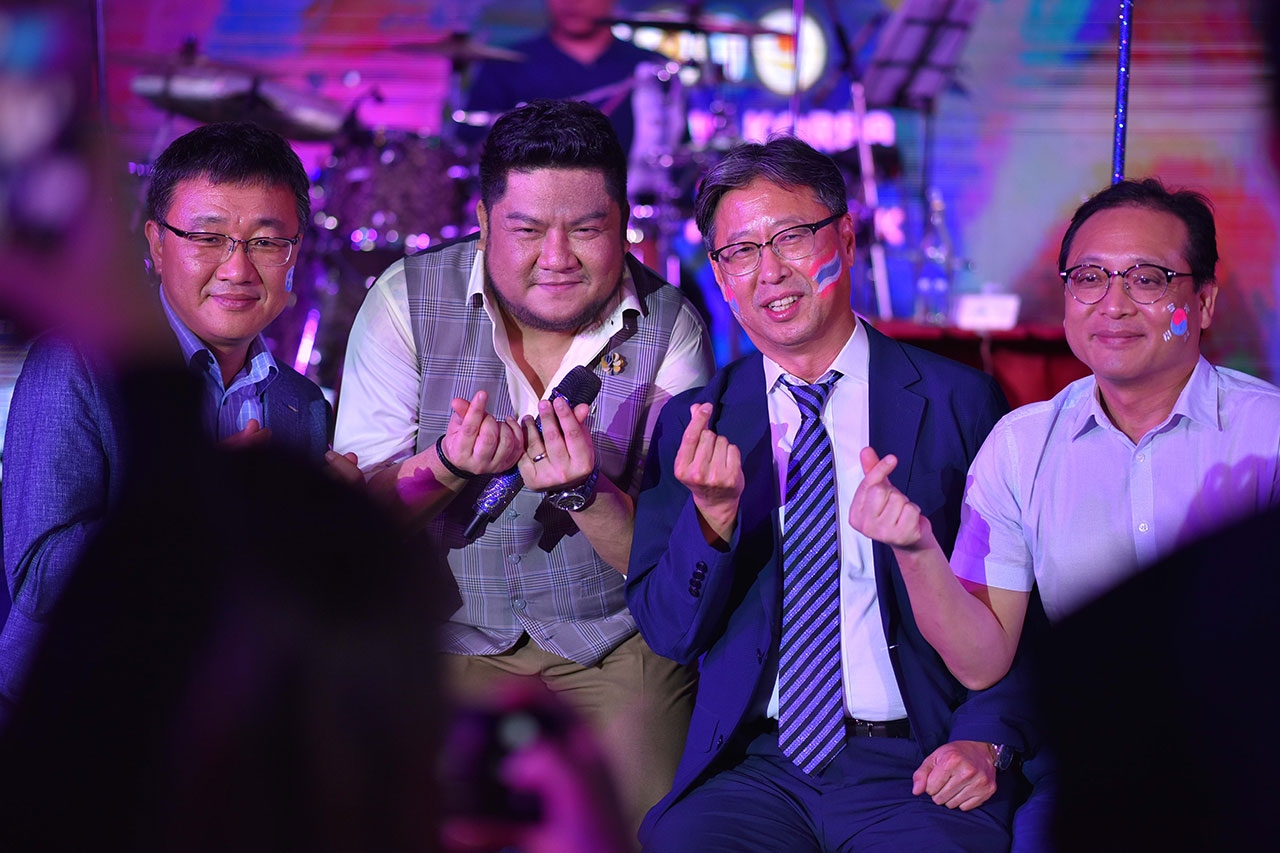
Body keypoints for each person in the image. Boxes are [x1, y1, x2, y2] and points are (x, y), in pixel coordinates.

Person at [625, 134, 1036, 851]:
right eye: (741, 251)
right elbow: (670, 631)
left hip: (918, 759)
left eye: (790, 237)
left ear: (845, 238)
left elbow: (1019, 605)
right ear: (720, 276)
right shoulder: (699, 422)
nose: (770, 272)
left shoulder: (958, 402)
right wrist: (712, 519)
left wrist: (986, 738)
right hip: (757, 767)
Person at [848, 177, 1280, 848]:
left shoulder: (1267, 435)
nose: (1114, 304)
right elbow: (982, 660)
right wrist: (914, 550)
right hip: (1094, 770)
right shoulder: (1021, 446)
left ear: (1201, 303)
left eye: (1148, 279)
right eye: (1089, 278)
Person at [333, 97, 714, 839]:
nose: (558, 257)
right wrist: (447, 466)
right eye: (529, 230)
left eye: (587, 229)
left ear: (623, 222)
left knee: (646, 827)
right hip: (444, 633)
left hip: (611, 639)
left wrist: (587, 494)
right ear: (482, 222)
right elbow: (358, 529)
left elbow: (674, 565)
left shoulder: (672, 328)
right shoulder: (406, 301)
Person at [0, 120, 338, 718]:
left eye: (266, 242)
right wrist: (196, 490)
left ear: (295, 252)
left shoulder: (303, 404)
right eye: (207, 238)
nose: (237, 270)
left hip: (219, 724)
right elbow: (40, 582)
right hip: (79, 715)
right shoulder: (76, 366)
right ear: (156, 245)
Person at [462, 0, 669, 158]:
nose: (572, 2)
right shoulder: (506, 64)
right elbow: (472, 142)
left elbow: (674, 153)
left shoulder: (653, 67)